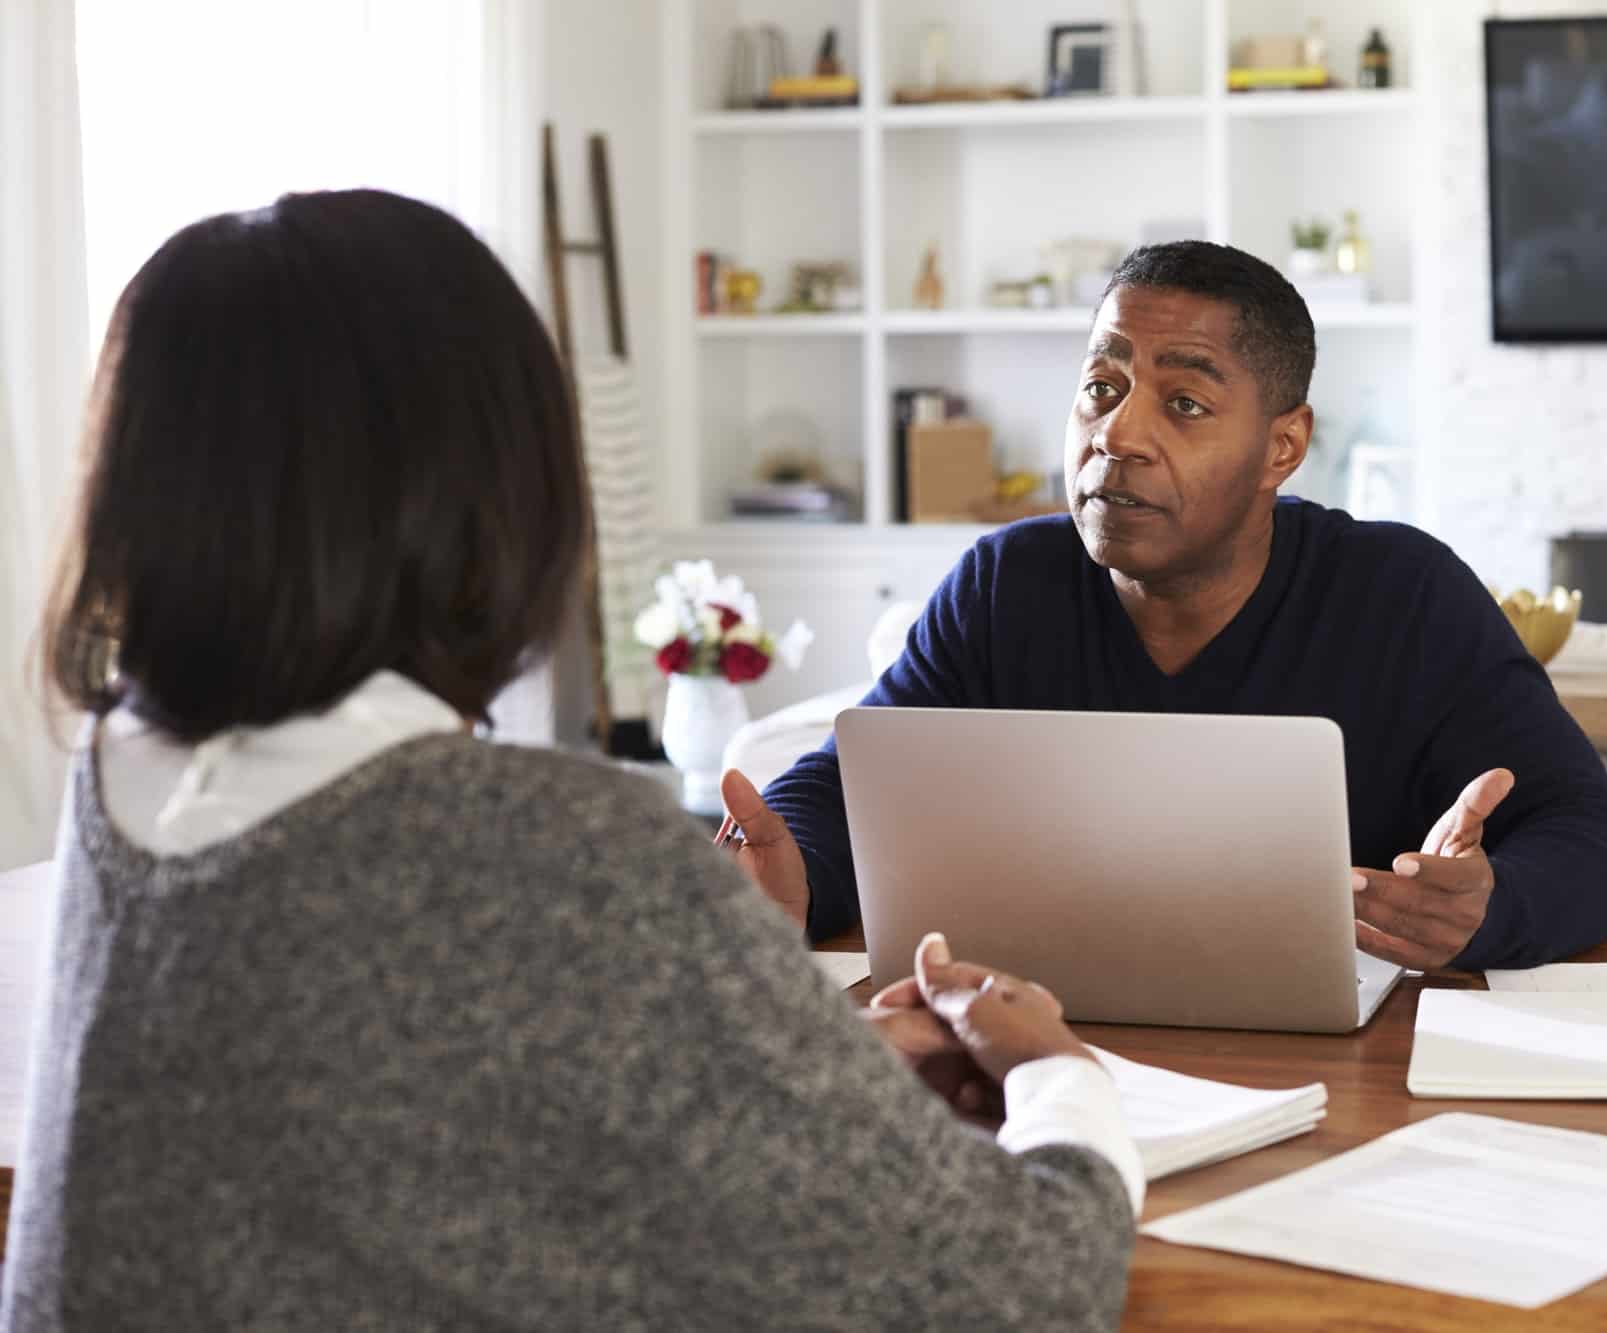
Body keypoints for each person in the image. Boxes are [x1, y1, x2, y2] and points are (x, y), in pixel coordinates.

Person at [4, 190, 1143, 1332]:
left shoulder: (124, 776)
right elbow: (1022, 1290)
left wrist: (787, 1071)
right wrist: (1053, 1071)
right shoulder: (554, 842)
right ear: (498, 482)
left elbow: (361, 1128)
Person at [725, 241, 1607, 972]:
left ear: (1282, 448)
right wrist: (790, 867)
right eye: (1101, 388)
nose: (1118, 434)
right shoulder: (1006, 585)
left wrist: (1489, 906)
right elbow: (851, 784)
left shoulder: (1403, 595)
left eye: (1186, 404)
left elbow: (1599, 842)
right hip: (1053, 1055)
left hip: (1343, 1082)